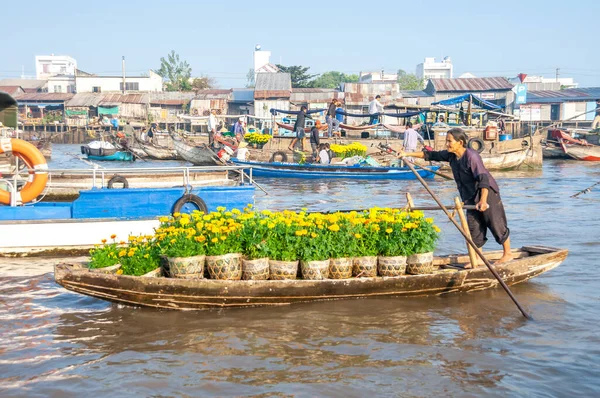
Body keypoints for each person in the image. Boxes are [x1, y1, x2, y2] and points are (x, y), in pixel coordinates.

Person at [400, 128, 513, 265]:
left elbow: (483, 179)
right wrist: (406, 153)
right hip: (470, 196)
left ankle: (508, 254)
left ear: (460, 142)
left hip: (486, 193)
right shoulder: (451, 156)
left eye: (449, 141)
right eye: (446, 141)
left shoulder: (471, 156)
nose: (447, 144)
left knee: (495, 222)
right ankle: (478, 258)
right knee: (474, 227)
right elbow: (430, 155)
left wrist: (483, 200)